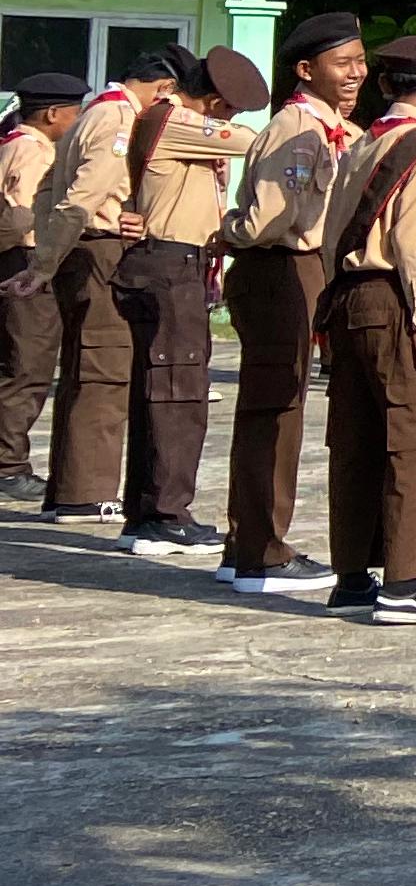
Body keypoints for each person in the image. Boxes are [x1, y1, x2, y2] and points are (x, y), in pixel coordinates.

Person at [314, 35, 416, 623]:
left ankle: (352, 580)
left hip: (348, 298)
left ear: (385, 85)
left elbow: (331, 231)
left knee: (355, 442)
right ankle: (405, 586)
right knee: (412, 443)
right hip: (392, 301)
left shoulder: (362, 141)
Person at [216, 15, 365, 594]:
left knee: (277, 406)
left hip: (297, 270)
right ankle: (261, 552)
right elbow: (267, 220)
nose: (355, 73)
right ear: (306, 70)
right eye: (342, 63)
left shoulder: (330, 128)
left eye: (360, 61)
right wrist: (228, 230)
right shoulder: (298, 129)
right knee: (275, 410)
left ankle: (247, 545)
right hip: (280, 269)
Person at [113, 48, 268, 556]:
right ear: (216, 102)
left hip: (166, 262)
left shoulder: (166, 120)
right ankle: (166, 515)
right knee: (179, 394)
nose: (231, 119)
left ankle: (145, 512)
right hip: (170, 266)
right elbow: (253, 142)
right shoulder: (175, 119)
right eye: (229, 110)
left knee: (158, 392)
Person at [31, 52, 178, 532]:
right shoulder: (119, 119)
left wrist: (49, 251)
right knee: (104, 370)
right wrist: (46, 260)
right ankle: (87, 494)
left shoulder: (91, 113)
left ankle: (66, 489)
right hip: (100, 246)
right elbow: (86, 194)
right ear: (163, 90)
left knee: (83, 368)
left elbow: (47, 191)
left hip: (80, 248)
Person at [0, 71, 86, 501]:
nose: (79, 121)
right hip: (26, 260)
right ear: (53, 114)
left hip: (15, 259)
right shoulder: (33, 151)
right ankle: (7, 465)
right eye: (75, 113)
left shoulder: (13, 143)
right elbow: (24, 215)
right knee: (27, 367)